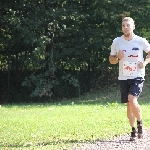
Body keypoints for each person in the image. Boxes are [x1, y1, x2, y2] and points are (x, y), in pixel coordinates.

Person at [109, 17, 150, 141]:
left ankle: (140, 123)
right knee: (129, 105)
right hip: (123, 77)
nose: (125, 27)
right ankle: (133, 129)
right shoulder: (117, 42)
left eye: (128, 25)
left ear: (133, 26)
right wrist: (118, 58)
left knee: (132, 100)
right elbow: (111, 60)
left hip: (137, 75)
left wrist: (145, 62)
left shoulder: (140, 41)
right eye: (123, 25)